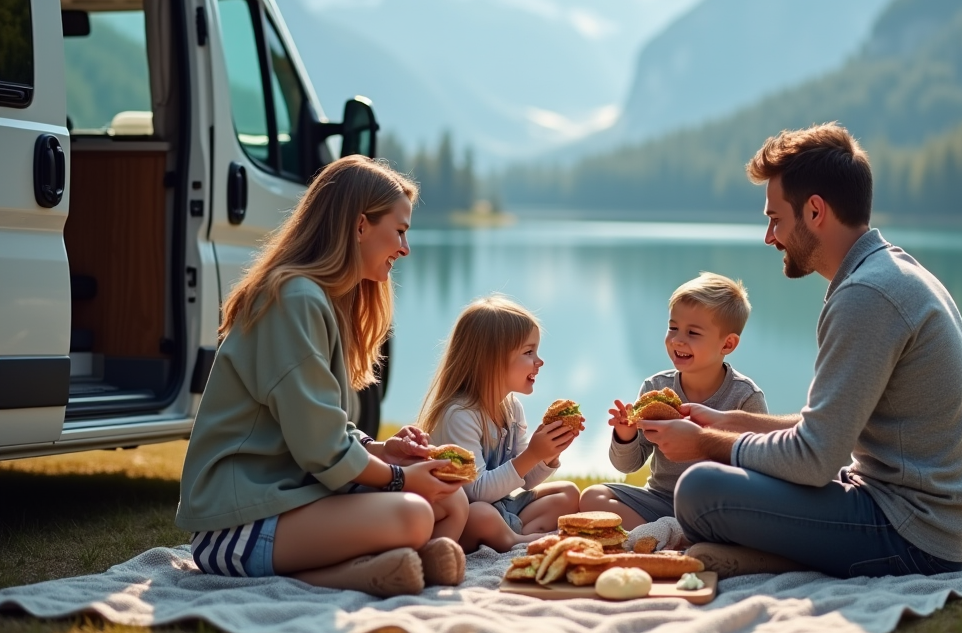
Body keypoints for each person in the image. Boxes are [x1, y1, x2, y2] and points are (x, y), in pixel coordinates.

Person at [639, 123, 962, 579]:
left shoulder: (866, 295)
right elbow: (827, 431)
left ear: (816, 211)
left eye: (776, 219)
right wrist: (729, 422)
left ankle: (771, 558)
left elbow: (814, 459)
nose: (770, 236)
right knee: (733, 473)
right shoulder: (887, 271)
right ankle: (765, 556)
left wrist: (704, 443)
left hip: (914, 535)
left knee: (700, 489)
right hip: (921, 519)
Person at [177, 156, 468, 597]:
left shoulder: (323, 299)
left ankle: (395, 566)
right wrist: (400, 478)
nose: (405, 248)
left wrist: (381, 450)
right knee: (414, 513)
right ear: (360, 226)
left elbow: (321, 425)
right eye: (400, 231)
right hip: (237, 524)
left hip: (291, 498)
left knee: (451, 499)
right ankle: (349, 575)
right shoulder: (293, 299)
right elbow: (321, 448)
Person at [581, 272, 767, 529]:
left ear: (727, 344)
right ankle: (673, 531)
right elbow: (628, 465)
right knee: (593, 497)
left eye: (693, 332)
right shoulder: (655, 387)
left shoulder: (745, 397)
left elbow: (758, 469)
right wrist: (625, 434)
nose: (678, 339)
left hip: (714, 505)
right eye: (673, 328)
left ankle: (671, 532)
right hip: (660, 499)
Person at [420, 296, 583, 553]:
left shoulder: (512, 408)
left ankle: (511, 533)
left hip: (502, 507)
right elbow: (476, 492)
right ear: (492, 360)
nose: (539, 361)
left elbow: (525, 480)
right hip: (465, 515)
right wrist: (533, 454)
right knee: (481, 514)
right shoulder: (459, 414)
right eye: (528, 352)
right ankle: (515, 540)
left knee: (568, 493)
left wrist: (549, 454)